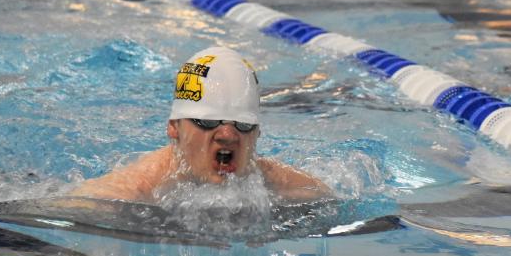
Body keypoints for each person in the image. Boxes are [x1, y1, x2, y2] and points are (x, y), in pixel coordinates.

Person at [71, 46, 333, 203]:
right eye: (207, 121)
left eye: (243, 124)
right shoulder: (127, 194)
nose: (228, 135)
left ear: (258, 133)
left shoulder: (294, 189)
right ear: (174, 127)